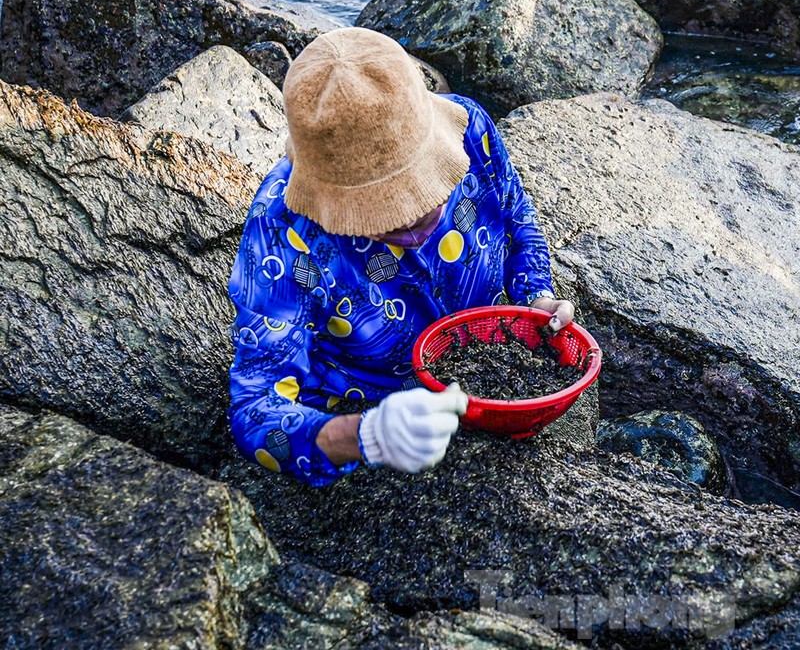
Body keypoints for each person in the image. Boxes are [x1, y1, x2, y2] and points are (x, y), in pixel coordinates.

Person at [226, 27, 574, 486]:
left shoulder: (470, 128)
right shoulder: (281, 234)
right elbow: (253, 410)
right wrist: (366, 435)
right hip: (374, 398)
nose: (413, 226)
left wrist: (535, 295)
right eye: (382, 214)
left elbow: (515, 212)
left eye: (423, 192)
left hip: (489, 358)